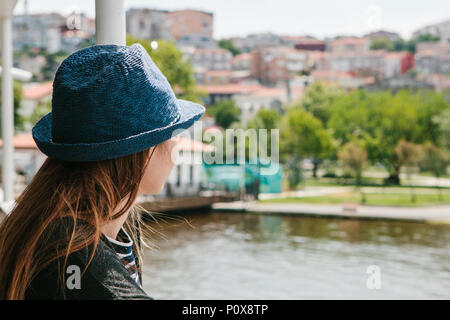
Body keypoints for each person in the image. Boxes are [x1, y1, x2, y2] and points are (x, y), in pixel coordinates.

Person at [0, 44, 205, 300]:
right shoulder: (85, 266)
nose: (177, 144)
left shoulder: (65, 225)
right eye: (173, 133)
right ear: (142, 152)